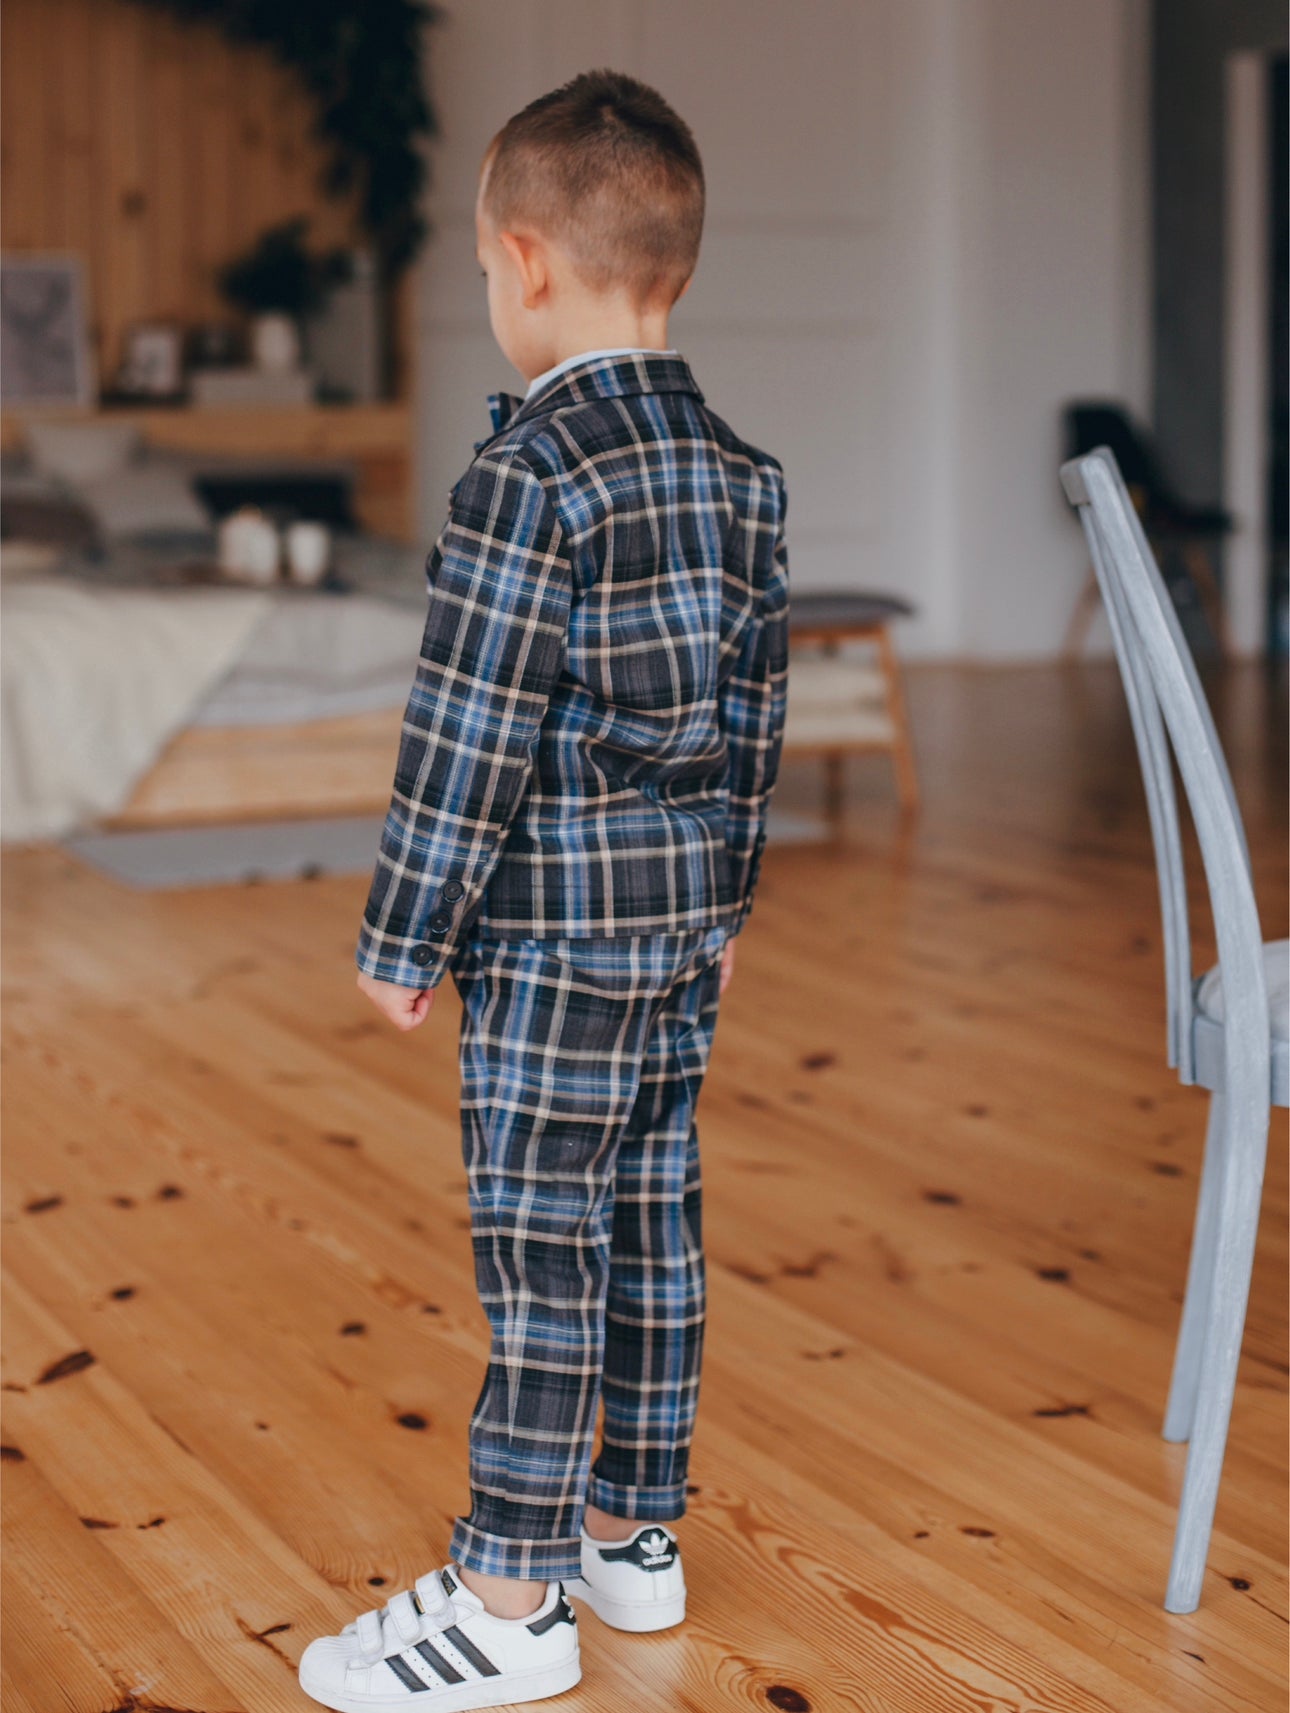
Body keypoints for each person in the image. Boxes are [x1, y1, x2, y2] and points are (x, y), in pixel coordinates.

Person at [299, 67, 789, 1712]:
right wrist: (722, 907)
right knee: (653, 1220)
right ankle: (627, 1534)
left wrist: (400, 935)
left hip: (553, 938)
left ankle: (508, 1594)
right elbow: (754, 723)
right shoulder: (742, 474)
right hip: (674, 932)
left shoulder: (525, 479)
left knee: (541, 1241)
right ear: (675, 264)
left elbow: (469, 730)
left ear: (520, 262)